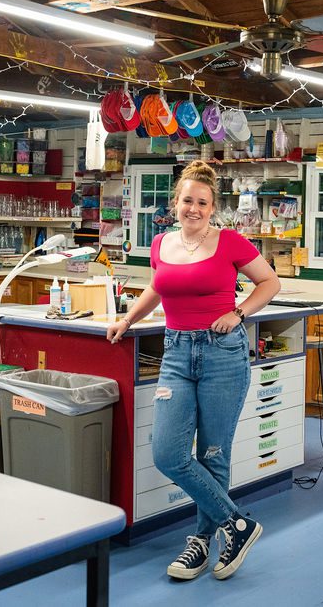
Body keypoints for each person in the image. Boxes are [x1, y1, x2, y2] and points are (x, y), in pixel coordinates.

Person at [107, 160, 281, 581]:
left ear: (212, 205)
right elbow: (155, 287)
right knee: (168, 453)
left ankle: (202, 542)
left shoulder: (230, 242)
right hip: (176, 353)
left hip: (223, 352)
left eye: (202, 202)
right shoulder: (161, 243)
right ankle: (237, 525)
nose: (194, 208)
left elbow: (270, 283)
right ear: (176, 202)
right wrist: (127, 320)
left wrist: (238, 313)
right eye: (187, 200)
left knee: (213, 454)